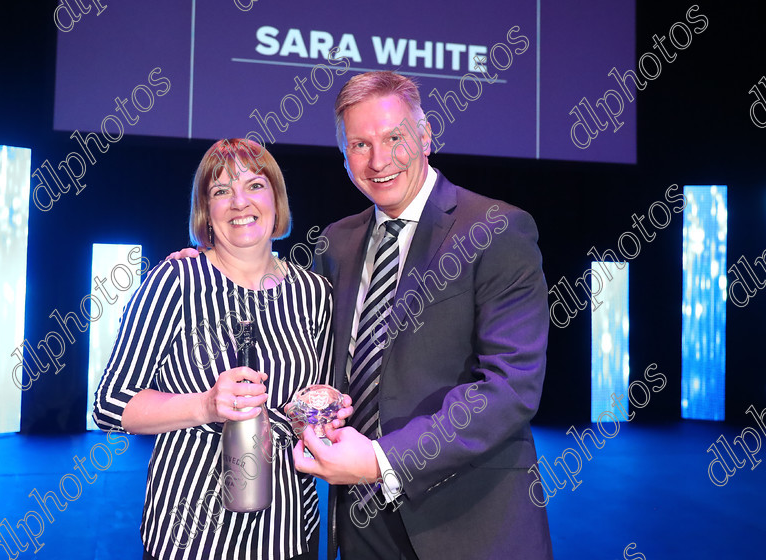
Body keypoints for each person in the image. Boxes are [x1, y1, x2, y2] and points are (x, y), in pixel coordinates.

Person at [290, 71, 554, 559]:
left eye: (395, 137)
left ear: (426, 135)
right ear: (344, 156)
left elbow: (510, 385)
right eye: (360, 144)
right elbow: (288, 331)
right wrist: (213, 263)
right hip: (358, 522)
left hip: (468, 523)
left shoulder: (497, 229)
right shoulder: (334, 244)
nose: (380, 159)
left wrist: (379, 459)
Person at [93, 138, 347, 560]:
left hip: (288, 532)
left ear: (276, 199)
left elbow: (308, 401)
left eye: (255, 186)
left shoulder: (315, 292)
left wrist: (324, 411)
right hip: (192, 534)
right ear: (205, 211)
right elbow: (109, 404)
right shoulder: (172, 283)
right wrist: (206, 406)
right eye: (221, 191)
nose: (239, 202)